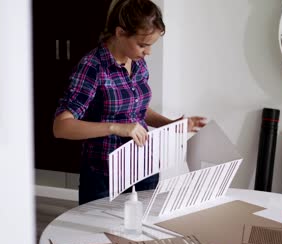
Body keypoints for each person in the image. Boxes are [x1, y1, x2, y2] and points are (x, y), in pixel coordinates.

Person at [53, 0, 206, 205]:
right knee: (99, 235)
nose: (148, 52)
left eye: (150, 45)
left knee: (142, 231)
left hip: (143, 166)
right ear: (120, 32)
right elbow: (61, 127)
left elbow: (137, 110)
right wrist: (116, 128)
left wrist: (170, 125)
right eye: (143, 44)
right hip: (104, 174)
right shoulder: (92, 67)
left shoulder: (138, 63)